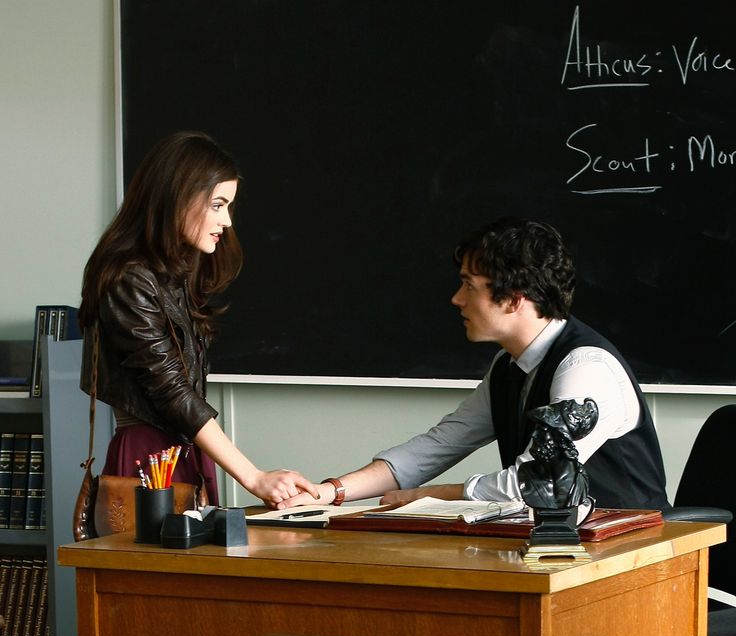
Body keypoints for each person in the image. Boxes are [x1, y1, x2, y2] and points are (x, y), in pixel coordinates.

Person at [281, 217, 669, 515]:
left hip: (633, 560)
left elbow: (533, 484)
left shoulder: (585, 368)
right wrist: (329, 492)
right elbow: (439, 446)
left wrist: (430, 498)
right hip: (560, 556)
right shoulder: (509, 365)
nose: (455, 299)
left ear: (514, 300)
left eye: (469, 285)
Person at [79, 131, 317, 507]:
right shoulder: (128, 278)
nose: (226, 221)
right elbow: (171, 390)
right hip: (150, 459)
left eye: (228, 207)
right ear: (178, 198)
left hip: (187, 449)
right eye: (218, 205)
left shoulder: (173, 275)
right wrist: (254, 476)